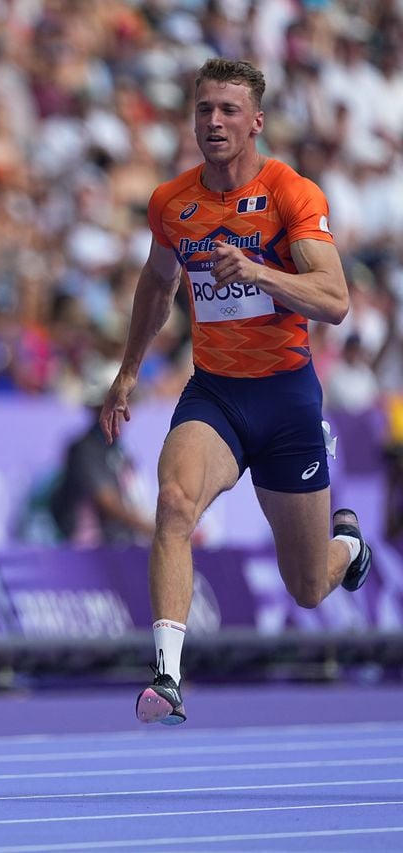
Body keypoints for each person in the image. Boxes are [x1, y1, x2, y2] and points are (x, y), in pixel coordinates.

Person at [100, 59, 372, 727]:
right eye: (203, 110)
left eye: (227, 111)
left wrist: (257, 269)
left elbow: (335, 301)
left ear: (256, 121)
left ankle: (351, 546)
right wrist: (128, 371)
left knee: (308, 586)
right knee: (172, 502)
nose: (213, 122)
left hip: (286, 401)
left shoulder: (290, 192)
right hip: (216, 395)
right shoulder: (173, 202)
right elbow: (157, 286)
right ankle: (167, 673)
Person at [50, 361, 155, 547]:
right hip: (90, 551)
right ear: (100, 406)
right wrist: (152, 529)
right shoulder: (84, 449)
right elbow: (107, 502)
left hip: (119, 546)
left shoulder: (120, 450)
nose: (126, 408)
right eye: (120, 401)